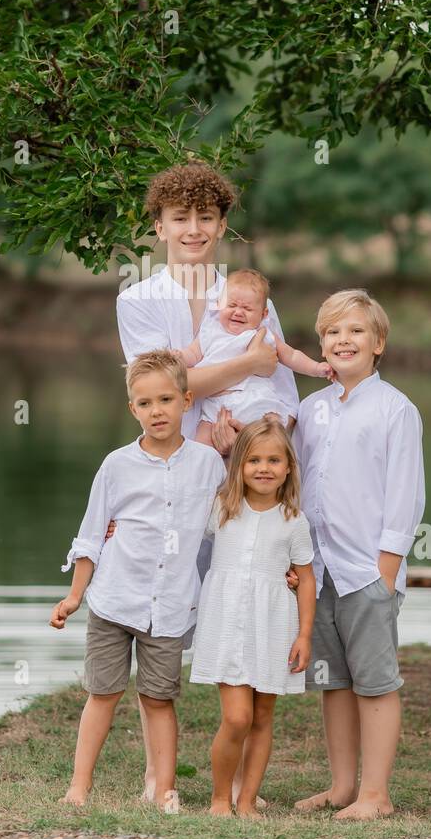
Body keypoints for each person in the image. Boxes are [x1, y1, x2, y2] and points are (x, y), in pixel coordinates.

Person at [115, 162, 300, 804]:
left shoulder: (250, 293)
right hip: (170, 474)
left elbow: (280, 390)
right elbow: (161, 389)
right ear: (159, 224)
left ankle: (238, 788)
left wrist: (247, 439)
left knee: (239, 611)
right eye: (179, 217)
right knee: (161, 614)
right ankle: (157, 776)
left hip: (236, 479)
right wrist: (247, 360)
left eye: (205, 217)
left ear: (221, 224)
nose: (192, 229)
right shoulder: (137, 301)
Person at [50, 349, 226, 811]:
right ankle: (79, 787)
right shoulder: (116, 466)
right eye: (145, 404)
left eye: (166, 400)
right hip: (114, 599)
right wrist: (74, 596)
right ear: (133, 409)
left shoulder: (208, 465)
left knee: (158, 699)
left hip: (170, 607)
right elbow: (91, 535)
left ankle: (165, 790)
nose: (157, 411)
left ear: (187, 401)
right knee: (102, 694)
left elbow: (228, 523)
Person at [290, 289, 426, 820]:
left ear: (378, 344)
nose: (342, 340)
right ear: (321, 344)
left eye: (355, 331)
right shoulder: (310, 409)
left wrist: (385, 571)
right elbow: (295, 483)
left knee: (374, 683)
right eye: (332, 332)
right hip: (318, 571)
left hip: (367, 572)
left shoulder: (396, 410)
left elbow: (405, 495)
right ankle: (343, 786)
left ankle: (377, 794)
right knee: (334, 682)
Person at [190, 418, 316, 816]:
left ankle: (246, 801)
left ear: (288, 468)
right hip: (227, 624)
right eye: (254, 460)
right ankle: (218, 798)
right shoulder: (222, 509)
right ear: (239, 465)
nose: (264, 468)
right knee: (237, 716)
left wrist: (305, 635)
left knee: (261, 716)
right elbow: (174, 528)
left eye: (274, 460)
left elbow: (307, 579)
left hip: (274, 625)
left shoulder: (294, 521)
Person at [177, 268, 333, 446]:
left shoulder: (263, 334)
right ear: (219, 304)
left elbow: (291, 355)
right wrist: (178, 356)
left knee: (272, 430)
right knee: (200, 445)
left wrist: (316, 368)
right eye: (232, 305)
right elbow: (192, 354)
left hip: (256, 400)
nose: (238, 312)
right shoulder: (209, 332)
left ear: (264, 314)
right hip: (216, 407)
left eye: (247, 308)